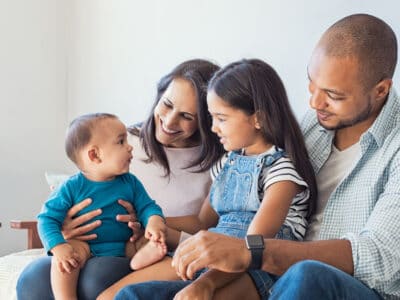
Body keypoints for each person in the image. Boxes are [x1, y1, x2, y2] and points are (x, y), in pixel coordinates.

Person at [116, 14, 400, 299]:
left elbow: (380, 256)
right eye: (312, 85)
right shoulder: (313, 126)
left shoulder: (394, 147)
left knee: (307, 274)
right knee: (135, 296)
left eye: (333, 95)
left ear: (380, 90)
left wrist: (252, 251)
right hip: (272, 273)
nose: (314, 103)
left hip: (343, 286)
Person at [98, 58, 318, 299]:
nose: (213, 128)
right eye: (211, 118)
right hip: (210, 255)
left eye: (221, 119)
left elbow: (253, 248)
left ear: (258, 119)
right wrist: (150, 219)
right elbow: (203, 221)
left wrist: (205, 284)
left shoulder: (281, 174)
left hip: (254, 270)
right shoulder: (226, 164)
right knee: (118, 296)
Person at [16, 59, 224, 300]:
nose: (169, 122)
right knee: (34, 277)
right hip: (86, 243)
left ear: (207, 120)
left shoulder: (219, 163)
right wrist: (64, 229)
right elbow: (67, 200)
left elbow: (205, 224)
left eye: (186, 116)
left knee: (96, 276)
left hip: (146, 248)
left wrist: (150, 223)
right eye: (166, 104)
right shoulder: (122, 142)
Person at [37, 113, 167, 300]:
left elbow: (147, 206)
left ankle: (140, 259)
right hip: (86, 246)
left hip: (126, 244)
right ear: (94, 154)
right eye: (121, 142)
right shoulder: (71, 187)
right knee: (65, 261)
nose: (130, 147)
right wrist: (58, 247)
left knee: (149, 242)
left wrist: (154, 221)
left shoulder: (130, 182)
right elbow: (47, 219)